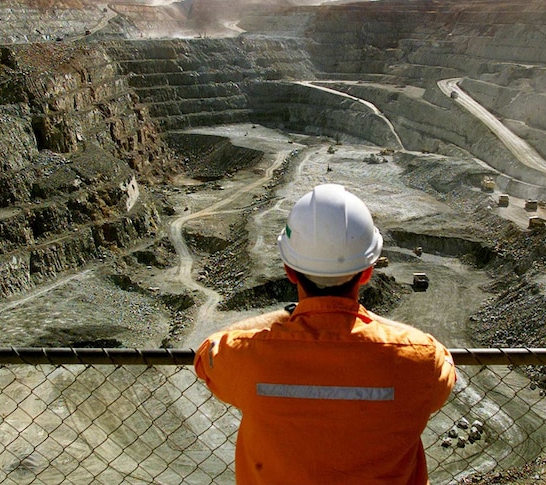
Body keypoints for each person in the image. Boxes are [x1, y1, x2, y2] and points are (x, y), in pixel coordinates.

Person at [194, 183, 456, 485]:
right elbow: (443, 378)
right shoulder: (419, 357)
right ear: (368, 272)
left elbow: (208, 352)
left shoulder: (248, 357)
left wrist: (284, 317)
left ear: (290, 271)